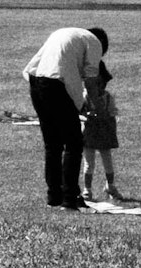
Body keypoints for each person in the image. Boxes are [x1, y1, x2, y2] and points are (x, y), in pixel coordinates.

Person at [20, 23, 106, 210]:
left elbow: (32, 67)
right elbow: (90, 80)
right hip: (55, 86)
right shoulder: (94, 43)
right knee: (73, 143)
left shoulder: (65, 35)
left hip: (36, 84)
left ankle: (54, 198)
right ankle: (70, 199)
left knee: (53, 144)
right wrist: (97, 107)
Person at [77, 51, 125, 206]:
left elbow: (112, 112)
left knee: (107, 160)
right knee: (89, 162)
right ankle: (87, 189)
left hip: (104, 132)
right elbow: (79, 113)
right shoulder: (84, 97)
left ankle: (110, 186)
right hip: (89, 132)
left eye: (99, 84)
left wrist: (109, 116)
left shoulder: (108, 98)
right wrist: (88, 116)